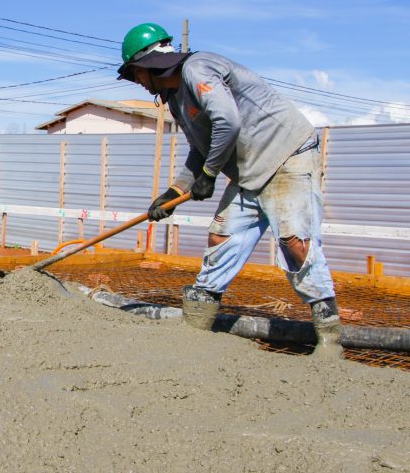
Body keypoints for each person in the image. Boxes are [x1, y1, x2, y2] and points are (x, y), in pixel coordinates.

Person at [117, 22, 343, 360]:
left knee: (296, 244)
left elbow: (228, 121)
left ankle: (330, 339)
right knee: (221, 239)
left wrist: (209, 174)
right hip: (249, 173)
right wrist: (175, 191)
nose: (137, 83)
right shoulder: (176, 98)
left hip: (287, 158)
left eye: (134, 75)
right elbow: (201, 146)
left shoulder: (198, 69)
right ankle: (197, 324)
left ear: (145, 65)